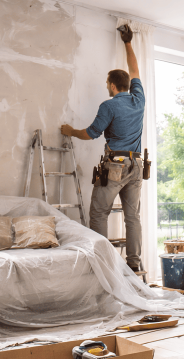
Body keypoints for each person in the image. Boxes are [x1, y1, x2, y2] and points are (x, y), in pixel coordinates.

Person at [60, 25, 145, 273]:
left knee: (98, 213)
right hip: (137, 165)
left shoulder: (109, 105)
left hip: (116, 165)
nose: (107, 86)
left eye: (108, 83)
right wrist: (128, 42)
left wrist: (71, 131)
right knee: (133, 218)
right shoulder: (138, 98)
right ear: (127, 85)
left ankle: (103, 264)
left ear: (111, 85)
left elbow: (91, 133)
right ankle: (133, 264)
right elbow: (135, 69)